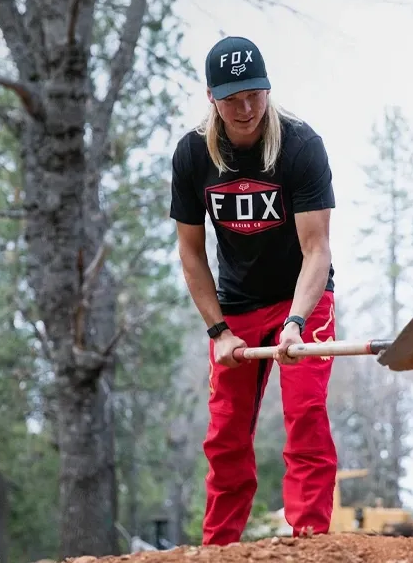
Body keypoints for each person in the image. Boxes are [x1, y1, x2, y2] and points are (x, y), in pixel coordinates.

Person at [169, 35, 339, 545]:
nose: (246, 109)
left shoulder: (301, 146)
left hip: (302, 298)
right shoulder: (193, 155)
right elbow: (191, 253)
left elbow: (317, 250)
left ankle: (309, 541)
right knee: (225, 436)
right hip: (236, 307)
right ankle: (218, 549)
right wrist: (217, 329)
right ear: (211, 97)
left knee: (305, 415)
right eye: (232, 98)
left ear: (268, 89)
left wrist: (295, 323)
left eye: (255, 95)